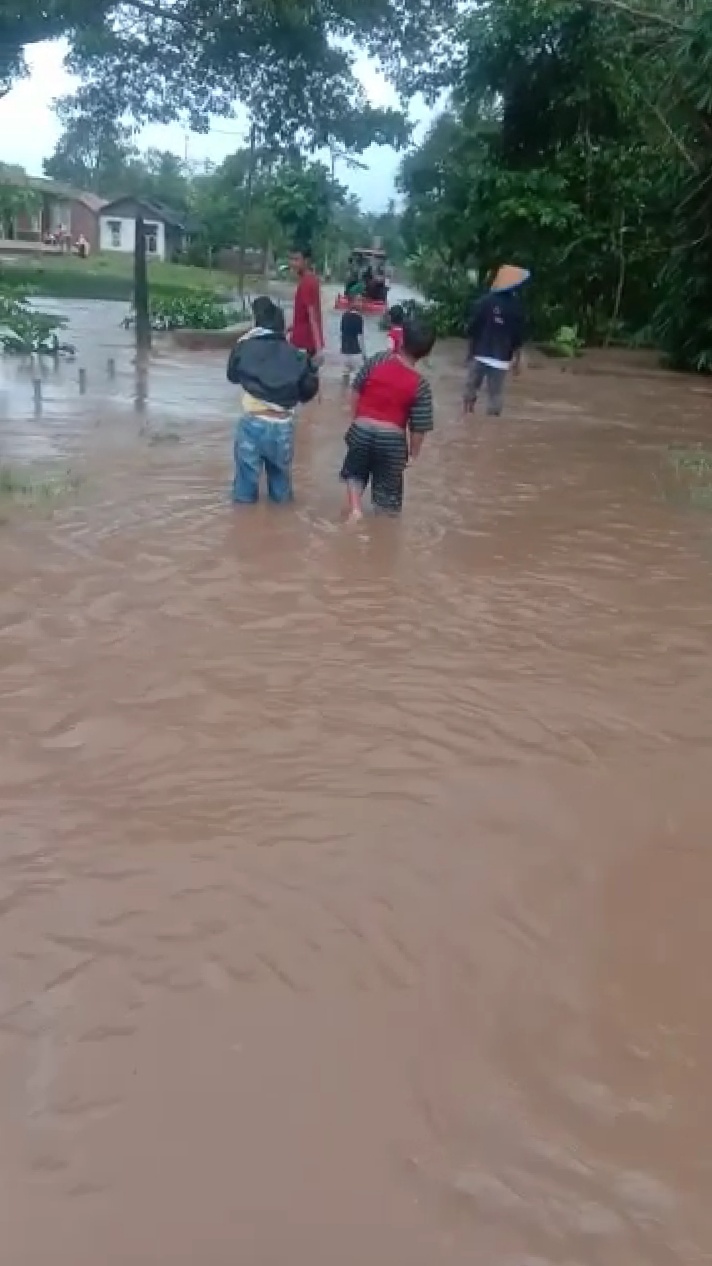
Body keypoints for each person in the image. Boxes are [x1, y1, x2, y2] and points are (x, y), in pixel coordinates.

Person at [340, 317, 436, 521]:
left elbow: (356, 389)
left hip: (361, 429)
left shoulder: (376, 361)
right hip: (391, 440)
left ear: (400, 340)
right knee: (388, 498)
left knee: (354, 473)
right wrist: (413, 454)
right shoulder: (420, 385)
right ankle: (382, 528)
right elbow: (419, 427)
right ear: (426, 353)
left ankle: (355, 510)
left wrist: (355, 421)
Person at [227, 295, 318, 504]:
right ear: (282, 328)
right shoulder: (297, 355)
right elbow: (308, 389)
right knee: (281, 486)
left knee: (244, 488)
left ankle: (243, 530)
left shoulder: (244, 346)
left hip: (252, 423)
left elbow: (232, 376)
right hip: (282, 426)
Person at [463, 264, 529, 417]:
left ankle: (467, 417)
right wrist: (517, 360)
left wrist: (469, 353)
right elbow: (518, 336)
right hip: (501, 358)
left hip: (479, 353)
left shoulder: (483, 302)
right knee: (495, 395)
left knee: (470, 389)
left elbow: (472, 329)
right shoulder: (516, 307)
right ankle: (492, 426)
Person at [288, 246, 324, 369]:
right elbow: (306, 315)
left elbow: (312, 316)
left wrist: (319, 350)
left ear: (306, 261)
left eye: (297, 259)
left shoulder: (306, 283)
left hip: (303, 344)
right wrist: (290, 328)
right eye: (291, 259)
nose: (292, 263)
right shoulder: (311, 280)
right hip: (307, 343)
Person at [340, 295, 365, 389]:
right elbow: (360, 337)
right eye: (359, 301)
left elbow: (342, 333)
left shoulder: (344, 315)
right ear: (353, 303)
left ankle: (342, 398)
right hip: (355, 352)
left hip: (344, 351)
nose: (361, 303)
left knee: (345, 376)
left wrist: (342, 348)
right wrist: (364, 354)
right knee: (357, 380)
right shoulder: (359, 318)